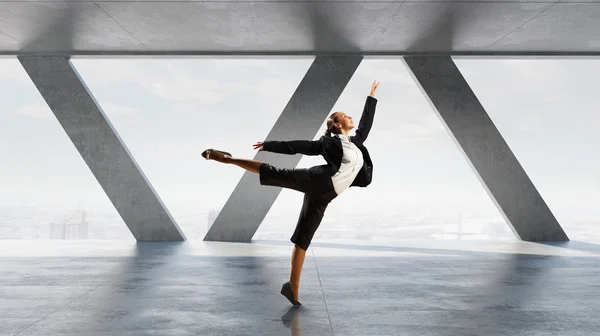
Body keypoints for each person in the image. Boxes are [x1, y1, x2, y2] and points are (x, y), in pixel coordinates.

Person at [202, 80, 380, 306]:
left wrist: (371, 96)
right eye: (345, 115)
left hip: (327, 195)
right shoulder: (327, 143)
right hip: (318, 181)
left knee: (303, 240)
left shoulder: (356, 143)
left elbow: (366, 123)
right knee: (276, 173)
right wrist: (270, 145)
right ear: (335, 125)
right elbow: (300, 146)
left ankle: (292, 288)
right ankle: (227, 159)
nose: (350, 117)